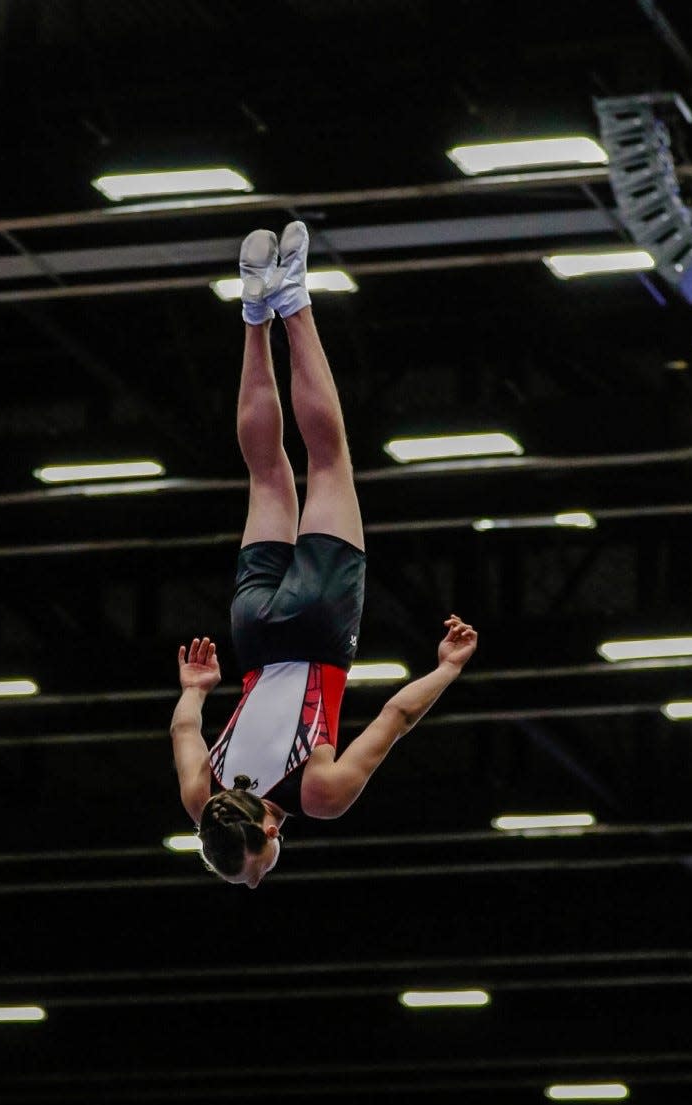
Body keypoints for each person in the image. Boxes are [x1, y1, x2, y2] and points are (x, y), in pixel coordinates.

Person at [170, 222, 478, 887]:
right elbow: (181, 734)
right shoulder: (202, 798)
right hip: (251, 635)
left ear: (269, 831)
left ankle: (295, 301)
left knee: (328, 460)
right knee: (265, 474)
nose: (268, 865)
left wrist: (447, 669)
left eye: (262, 865)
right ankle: (254, 313)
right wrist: (195, 691)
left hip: (317, 629)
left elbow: (395, 718)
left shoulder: (318, 795)